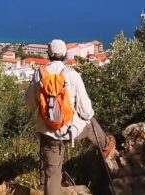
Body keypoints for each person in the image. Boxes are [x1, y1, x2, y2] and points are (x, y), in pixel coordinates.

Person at [25, 39, 115, 195]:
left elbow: (30, 103)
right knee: (90, 122)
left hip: (48, 132)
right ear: (65, 55)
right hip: (71, 131)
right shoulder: (72, 75)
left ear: (48, 54)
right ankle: (106, 146)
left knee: (52, 175)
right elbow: (86, 111)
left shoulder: (39, 73)